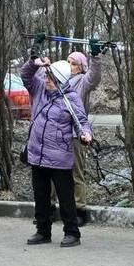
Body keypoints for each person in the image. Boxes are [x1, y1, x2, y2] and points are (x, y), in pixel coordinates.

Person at [21, 55, 92, 248]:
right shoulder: (39, 90)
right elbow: (26, 76)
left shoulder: (71, 98)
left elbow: (81, 122)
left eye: (51, 79)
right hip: (37, 154)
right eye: (46, 77)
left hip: (59, 156)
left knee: (65, 196)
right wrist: (34, 62)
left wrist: (86, 134)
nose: (47, 81)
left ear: (61, 81)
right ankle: (43, 231)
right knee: (41, 196)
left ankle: (72, 233)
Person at [50, 41, 103, 226]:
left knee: (76, 173)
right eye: (68, 62)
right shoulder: (57, 80)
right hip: (57, 134)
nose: (70, 66)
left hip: (75, 134)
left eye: (74, 63)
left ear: (80, 67)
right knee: (52, 171)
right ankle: (49, 208)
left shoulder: (82, 81)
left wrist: (95, 56)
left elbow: (94, 76)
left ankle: (80, 209)